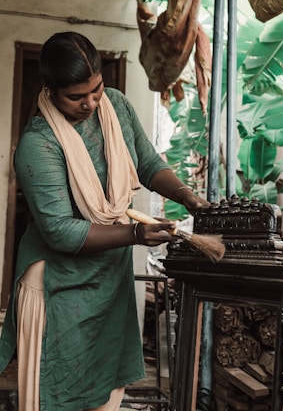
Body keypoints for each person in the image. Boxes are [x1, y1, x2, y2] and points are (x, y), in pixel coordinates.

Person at [0, 31, 208, 411]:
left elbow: (147, 163)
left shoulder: (116, 106)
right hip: (57, 288)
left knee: (106, 392)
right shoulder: (39, 144)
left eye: (96, 89)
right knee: (56, 392)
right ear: (49, 89)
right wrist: (133, 233)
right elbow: (61, 231)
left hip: (108, 282)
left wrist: (186, 196)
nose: (91, 103)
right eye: (77, 97)